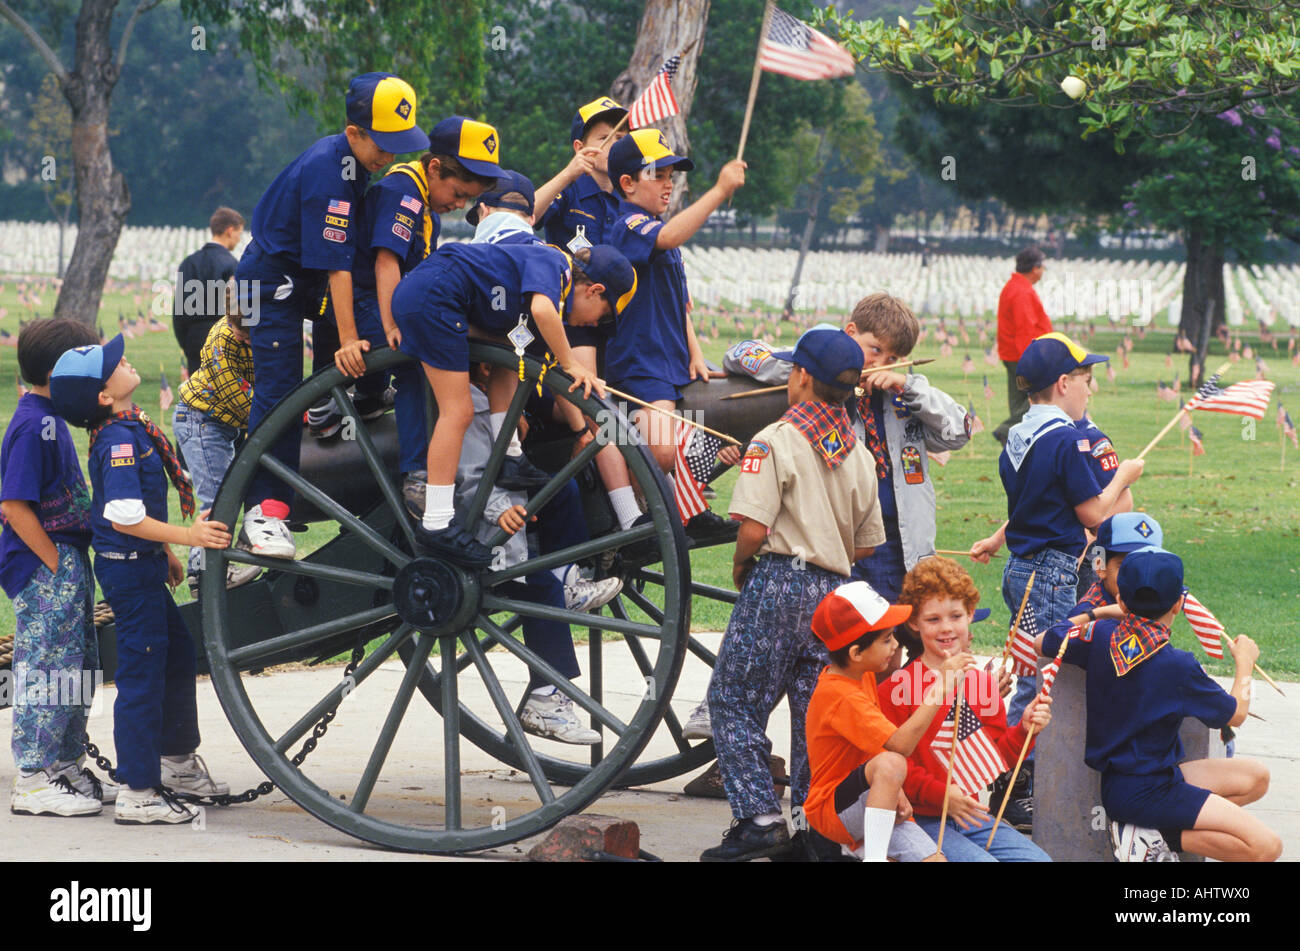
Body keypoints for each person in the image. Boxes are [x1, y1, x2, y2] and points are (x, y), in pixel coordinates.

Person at [701, 327, 885, 862]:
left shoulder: (774, 440)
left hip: (781, 580)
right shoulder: (860, 454)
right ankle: (812, 823)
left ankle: (758, 816)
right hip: (836, 591)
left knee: (732, 700)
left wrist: (741, 564)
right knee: (812, 715)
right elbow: (869, 546)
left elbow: (754, 527)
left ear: (801, 376)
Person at [235, 72, 429, 561]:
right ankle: (264, 513)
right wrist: (346, 338)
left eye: (398, 146)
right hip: (273, 285)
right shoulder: (330, 170)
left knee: (351, 355)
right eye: (382, 145)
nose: (389, 156)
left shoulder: (357, 166)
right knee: (279, 394)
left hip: (308, 283)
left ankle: (339, 404)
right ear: (353, 133)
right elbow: (336, 263)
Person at [50, 335, 233, 824]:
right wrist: (190, 536)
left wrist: (167, 549)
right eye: (114, 364)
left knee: (174, 654)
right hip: (128, 568)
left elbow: (139, 514)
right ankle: (138, 792)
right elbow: (126, 516)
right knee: (141, 675)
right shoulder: (119, 442)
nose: (124, 359)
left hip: (143, 560)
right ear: (104, 397)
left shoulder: (131, 426)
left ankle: (175, 764)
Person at [969, 332, 1144, 828]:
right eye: (1084, 380)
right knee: (1039, 680)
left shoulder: (1021, 437)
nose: (1090, 391)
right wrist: (1123, 477)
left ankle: (1012, 777)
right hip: (1050, 573)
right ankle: (1016, 784)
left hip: (1023, 568)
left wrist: (998, 538)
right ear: (1063, 383)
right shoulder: (1068, 438)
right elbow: (1091, 513)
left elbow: (1036, 503)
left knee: (1029, 671)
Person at [390, 239, 632, 565]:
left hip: (444, 299)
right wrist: (571, 364)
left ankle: (510, 457)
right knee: (458, 412)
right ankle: (436, 523)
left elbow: (510, 362)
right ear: (594, 290)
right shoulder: (554, 262)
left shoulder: (530, 300)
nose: (594, 325)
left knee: (510, 356)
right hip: (434, 295)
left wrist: (511, 448)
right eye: (604, 315)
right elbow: (543, 310)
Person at [1037, 548, 1281, 862]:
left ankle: (1151, 833)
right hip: (1149, 792)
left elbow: (1042, 639)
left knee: (1255, 777)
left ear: (1122, 600)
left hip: (1143, 781)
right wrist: (1244, 664)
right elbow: (1235, 714)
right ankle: (1156, 838)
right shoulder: (1178, 665)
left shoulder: (1098, 636)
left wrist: (1099, 612)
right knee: (1266, 847)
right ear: (1179, 603)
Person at [310, 115, 499, 461]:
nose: (460, 205)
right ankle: (416, 471)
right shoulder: (402, 191)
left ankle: (370, 395)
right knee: (414, 360)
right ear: (435, 168)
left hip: (375, 299)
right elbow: (386, 263)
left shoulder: (428, 207)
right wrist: (394, 326)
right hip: (359, 302)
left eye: (468, 200)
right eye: (458, 194)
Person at [456, 362, 621, 742]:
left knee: (561, 491)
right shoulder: (465, 410)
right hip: (479, 532)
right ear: (482, 368)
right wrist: (499, 510)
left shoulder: (488, 404)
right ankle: (546, 698)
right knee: (540, 587)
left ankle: (568, 579)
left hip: (503, 515)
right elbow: (468, 480)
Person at [4, 318, 111, 817]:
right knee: (47, 668)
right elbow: (13, 505)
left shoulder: (53, 417)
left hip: (68, 560)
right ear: (59, 371)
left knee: (78, 665)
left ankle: (64, 763)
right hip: (48, 563)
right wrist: (52, 563)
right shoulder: (33, 425)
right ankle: (32, 777)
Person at [881, 556, 1054, 861]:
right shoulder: (896, 689)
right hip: (919, 818)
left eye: (956, 616)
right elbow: (891, 768)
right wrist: (942, 794)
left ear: (970, 615)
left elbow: (996, 756)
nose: (946, 628)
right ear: (913, 622)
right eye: (933, 619)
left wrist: (1025, 729)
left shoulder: (983, 684)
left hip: (971, 816)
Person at [604, 130, 745, 483]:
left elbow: (679, 305)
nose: (668, 185)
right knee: (662, 452)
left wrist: (695, 353)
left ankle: (672, 512)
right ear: (628, 183)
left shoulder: (660, 233)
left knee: (708, 435)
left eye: (671, 176)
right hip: (641, 365)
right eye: (657, 175)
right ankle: (634, 521)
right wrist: (719, 191)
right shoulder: (628, 226)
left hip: (672, 364)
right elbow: (668, 237)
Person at [805, 580, 973, 861]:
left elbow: (876, 747)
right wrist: (942, 685)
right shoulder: (841, 695)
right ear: (856, 653)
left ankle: (873, 852)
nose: (896, 646)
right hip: (833, 811)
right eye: (886, 640)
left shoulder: (862, 675)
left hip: (870, 798)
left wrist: (893, 789)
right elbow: (900, 746)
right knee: (893, 761)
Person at [842, 293, 972, 606]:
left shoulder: (904, 395)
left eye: (892, 359)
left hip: (899, 545)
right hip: (848, 547)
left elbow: (959, 431)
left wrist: (907, 385)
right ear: (850, 333)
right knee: (854, 641)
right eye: (875, 350)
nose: (880, 364)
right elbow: (746, 355)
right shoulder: (828, 385)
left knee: (894, 634)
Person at [171, 281, 260, 594]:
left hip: (220, 424)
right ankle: (204, 573)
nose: (240, 336)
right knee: (218, 499)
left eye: (247, 332)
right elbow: (235, 395)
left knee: (226, 495)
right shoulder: (222, 338)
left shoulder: (257, 331)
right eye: (237, 328)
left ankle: (210, 568)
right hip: (200, 420)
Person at [173, 207, 244, 375]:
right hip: (225, 338)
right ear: (230, 230)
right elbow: (238, 310)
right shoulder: (233, 265)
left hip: (194, 339)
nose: (239, 239)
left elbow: (179, 312)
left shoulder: (189, 263)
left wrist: (187, 343)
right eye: (239, 233)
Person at [993, 247, 1053, 445]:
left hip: (1014, 353)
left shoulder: (1015, 287)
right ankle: (1007, 430)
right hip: (1022, 354)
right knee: (1039, 399)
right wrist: (1031, 360)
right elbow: (1025, 329)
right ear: (1035, 268)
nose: (1044, 270)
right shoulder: (1021, 291)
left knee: (1019, 401)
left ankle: (1015, 439)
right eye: (1042, 266)